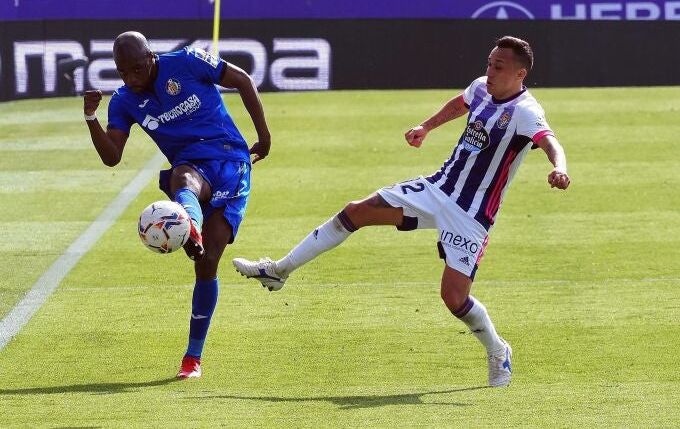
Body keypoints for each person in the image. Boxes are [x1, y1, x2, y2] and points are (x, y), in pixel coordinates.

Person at [233, 36, 570, 387]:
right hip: (437, 188)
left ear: (520, 73)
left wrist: (559, 167)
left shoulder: (525, 112)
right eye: (488, 63)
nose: (489, 72)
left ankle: (498, 349)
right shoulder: (481, 89)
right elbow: (462, 103)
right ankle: (278, 271)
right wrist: (426, 126)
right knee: (356, 211)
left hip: (471, 214)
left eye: (498, 67)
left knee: (454, 298)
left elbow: (550, 141)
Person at [83, 31, 271, 379]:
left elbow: (242, 80)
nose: (131, 78)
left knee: (209, 262)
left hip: (230, 160)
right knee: (181, 179)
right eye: (123, 72)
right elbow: (112, 156)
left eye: (136, 69)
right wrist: (91, 117)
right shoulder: (123, 101)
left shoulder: (187, 61)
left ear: (151, 57)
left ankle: (193, 354)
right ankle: (190, 226)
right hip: (190, 166)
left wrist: (265, 136)